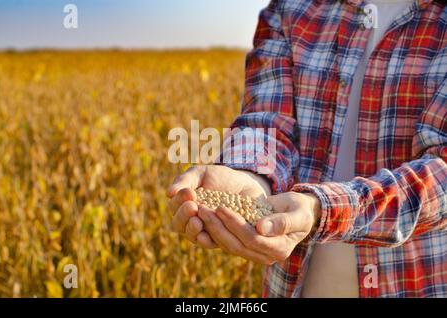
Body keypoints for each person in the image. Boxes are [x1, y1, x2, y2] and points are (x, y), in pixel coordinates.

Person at [167, 0, 446, 298]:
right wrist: (250, 177)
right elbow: (270, 124)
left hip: (417, 284)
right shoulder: (291, 9)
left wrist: (322, 209)